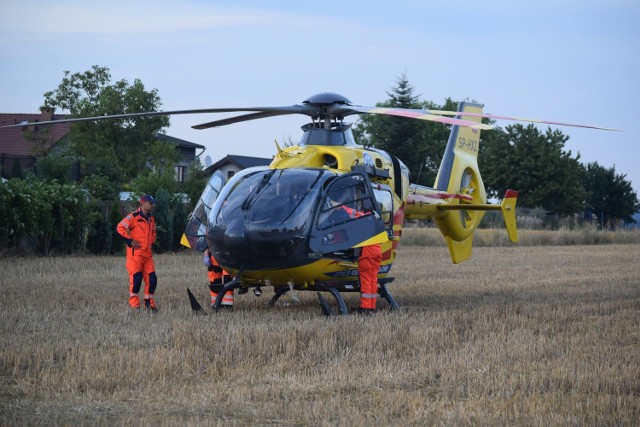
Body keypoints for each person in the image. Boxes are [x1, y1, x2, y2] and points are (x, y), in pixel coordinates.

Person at [116, 194, 159, 312]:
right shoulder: (133, 217)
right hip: (135, 255)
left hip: (147, 254)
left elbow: (153, 232)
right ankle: (134, 305)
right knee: (136, 280)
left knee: (152, 280)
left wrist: (151, 241)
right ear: (143, 203)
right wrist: (130, 241)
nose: (152, 205)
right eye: (150, 203)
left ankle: (149, 304)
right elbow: (120, 228)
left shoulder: (151, 218)